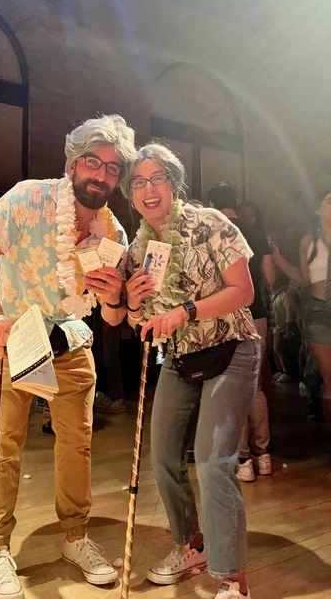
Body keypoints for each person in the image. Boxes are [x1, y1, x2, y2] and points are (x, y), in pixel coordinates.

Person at [0, 114, 135, 599]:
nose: (101, 176)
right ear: (73, 163)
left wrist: (117, 297)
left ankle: (75, 538)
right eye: (92, 163)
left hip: (73, 343)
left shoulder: (114, 234)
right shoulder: (30, 197)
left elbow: (114, 320)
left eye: (113, 169)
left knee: (76, 446)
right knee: (3, 447)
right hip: (14, 338)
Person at [106, 143, 260, 599]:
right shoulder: (139, 247)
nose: (148, 189)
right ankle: (192, 545)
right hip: (179, 358)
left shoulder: (211, 223)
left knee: (213, 462)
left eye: (158, 179)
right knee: (163, 457)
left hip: (232, 350)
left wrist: (187, 310)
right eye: (138, 181)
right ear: (128, 191)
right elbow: (139, 321)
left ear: (175, 183)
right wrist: (131, 301)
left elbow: (244, 291)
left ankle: (233, 577)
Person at [208, 183, 275, 483]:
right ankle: (264, 456)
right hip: (257, 313)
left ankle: (243, 459)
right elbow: (270, 277)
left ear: (211, 202)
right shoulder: (254, 233)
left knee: (232, 387)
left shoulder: (212, 232)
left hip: (225, 317)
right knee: (256, 386)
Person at [270, 187, 331, 434]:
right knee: (329, 378)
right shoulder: (309, 241)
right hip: (317, 311)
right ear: (317, 210)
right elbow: (303, 280)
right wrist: (277, 258)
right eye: (328, 200)